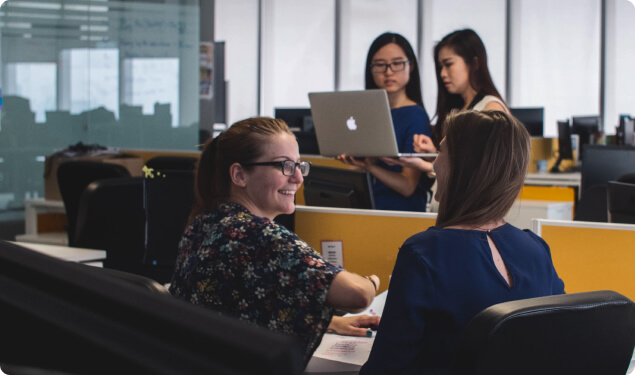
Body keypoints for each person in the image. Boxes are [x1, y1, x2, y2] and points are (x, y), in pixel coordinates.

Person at [359, 110, 565, 375]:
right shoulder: (536, 250)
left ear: (462, 165)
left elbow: (385, 369)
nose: (433, 165)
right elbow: (561, 343)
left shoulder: (423, 255)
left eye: (441, 152)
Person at [169, 117, 381, 366]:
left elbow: (238, 308)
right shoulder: (258, 235)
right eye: (284, 166)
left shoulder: (204, 222)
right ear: (239, 175)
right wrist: (372, 282)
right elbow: (358, 296)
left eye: (299, 166)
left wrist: (330, 322)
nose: (298, 178)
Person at [387, 28, 509, 174]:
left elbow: (482, 173)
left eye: (449, 64)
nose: (442, 74)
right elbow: (460, 163)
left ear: (474, 63)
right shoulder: (460, 109)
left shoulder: (491, 108)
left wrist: (425, 166)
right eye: (440, 67)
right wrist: (433, 154)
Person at [337, 32, 433, 212]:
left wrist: (370, 167)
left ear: (410, 66)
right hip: (369, 210)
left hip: (399, 214)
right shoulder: (368, 113)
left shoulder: (415, 115)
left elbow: (407, 186)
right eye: (380, 65)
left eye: (397, 64)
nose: (388, 72)